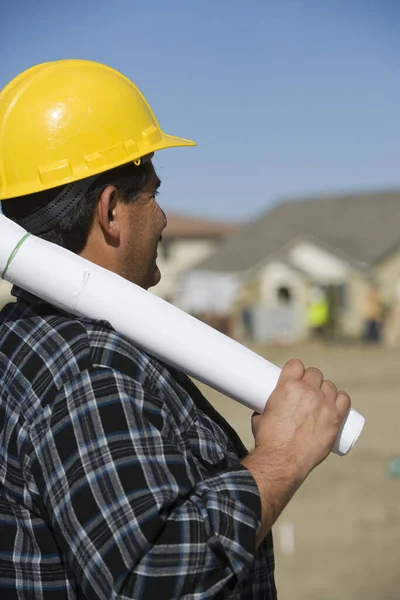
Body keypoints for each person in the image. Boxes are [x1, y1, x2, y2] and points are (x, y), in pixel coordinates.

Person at [0, 60, 351, 599]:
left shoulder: (24, 334)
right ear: (111, 210)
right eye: (153, 194)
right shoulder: (90, 368)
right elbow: (152, 577)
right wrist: (284, 454)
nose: (163, 218)